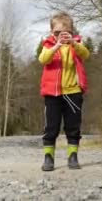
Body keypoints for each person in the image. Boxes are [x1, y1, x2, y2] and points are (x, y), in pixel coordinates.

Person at [38, 11, 90, 171]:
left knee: (73, 125)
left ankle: (73, 156)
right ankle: (48, 157)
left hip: (73, 91)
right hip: (52, 93)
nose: (61, 35)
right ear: (51, 32)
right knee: (51, 127)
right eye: (57, 32)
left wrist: (73, 43)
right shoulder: (48, 45)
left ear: (72, 32)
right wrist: (56, 46)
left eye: (65, 32)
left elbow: (85, 54)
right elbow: (43, 59)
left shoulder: (77, 44)